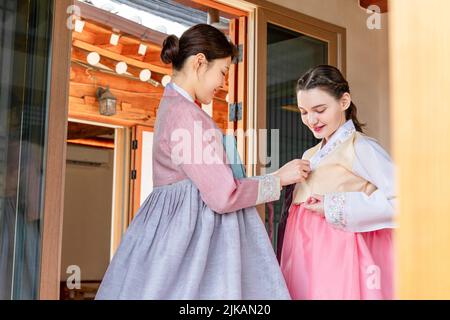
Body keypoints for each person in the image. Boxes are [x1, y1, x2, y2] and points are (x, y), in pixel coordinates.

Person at [96, 24, 310, 300]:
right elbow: (223, 195)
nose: (223, 84)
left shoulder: (173, 106)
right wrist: (278, 179)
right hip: (194, 240)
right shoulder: (188, 116)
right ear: (200, 62)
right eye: (222, 72)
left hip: (176, 236)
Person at [280, 65, 396, 300]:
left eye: (319, 110)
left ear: (344, 102)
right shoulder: (308, 156)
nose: (311, 120)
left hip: (342, 259)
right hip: (305, 257)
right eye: (303, 112)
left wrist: (337, 206)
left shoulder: (361, 148)